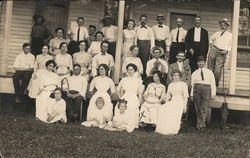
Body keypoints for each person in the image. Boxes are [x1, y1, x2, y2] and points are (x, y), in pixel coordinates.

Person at [156, 69, 189, 135]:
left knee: (173, 110)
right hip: (173, 100)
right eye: (174, 75)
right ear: (172, 76)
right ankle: (164, 127)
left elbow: (185, 96)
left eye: (177, 75)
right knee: (163, 108)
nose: (176, 77)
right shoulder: (171, 85)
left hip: (180, 101)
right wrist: (166, 103)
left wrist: (185, 106)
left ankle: (173, 128)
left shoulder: (183, 84)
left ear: (180, 76)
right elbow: (168, 96)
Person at [191, 56, 216, 130]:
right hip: (197, 88)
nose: (201, 63)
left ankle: (199, 124)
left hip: (206, 88)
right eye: (199, 62)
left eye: (202, 61)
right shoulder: (195, 73)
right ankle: (202, 123)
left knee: (204, 107)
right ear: (197, 63)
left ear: (204, 62)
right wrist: (191, 94)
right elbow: (192, 84)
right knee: (198, 107)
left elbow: (213, 83)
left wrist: (213, 93)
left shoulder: (209, 72)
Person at [116, 64, 144, 129]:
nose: (130, 71)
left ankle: (130, 123)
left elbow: (140, 92)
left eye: (131, 69)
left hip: (133, 97)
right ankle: (122, 123)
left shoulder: (138, 80)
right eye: (128, 69)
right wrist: (120, 97)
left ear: (135, 71)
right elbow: (118, 89)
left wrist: (139, 102)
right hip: (125, 96)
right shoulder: (124, 79)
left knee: (132, 108)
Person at [207, 18, 232, 87]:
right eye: (221, 25)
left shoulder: (230, 35)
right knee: (210, 68)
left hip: (222, 52)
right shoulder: (217, 33)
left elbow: (231, 45)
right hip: (214, 50)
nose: (222, 26)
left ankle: (215, 84)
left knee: (217, 71)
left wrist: (227, 51)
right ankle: (209, 83)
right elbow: (210, 38)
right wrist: (211, 45)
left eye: (224, 25)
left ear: (227, 26)